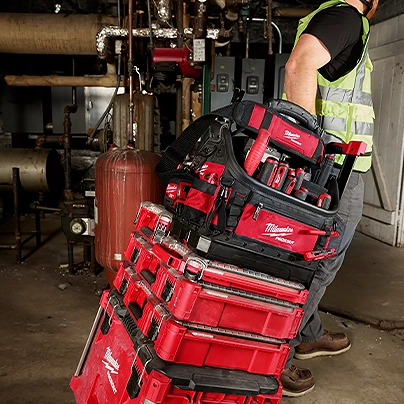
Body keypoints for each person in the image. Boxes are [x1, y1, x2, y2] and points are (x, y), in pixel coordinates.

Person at [281, 0, 378, 397]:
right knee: (319, 264)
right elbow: (299, 67)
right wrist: (307, 148)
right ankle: (277, 355)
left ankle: (307, 334)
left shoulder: (333, 18)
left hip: (335, 166)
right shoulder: (346, 18)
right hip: (335, 170)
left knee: (314, 259)